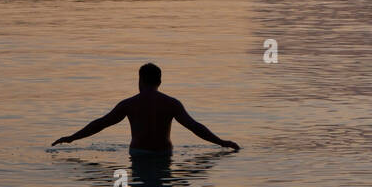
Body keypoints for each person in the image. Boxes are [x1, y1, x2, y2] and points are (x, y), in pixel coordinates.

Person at [52, 63, 240, 153]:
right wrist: (222, 142)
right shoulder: (172, 103)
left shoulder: (129, 104)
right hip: (164, 154)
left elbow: (100, 124)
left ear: (140, 80)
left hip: (138, 154)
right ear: (159, 81)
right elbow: (194, 126)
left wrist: (72, 138)